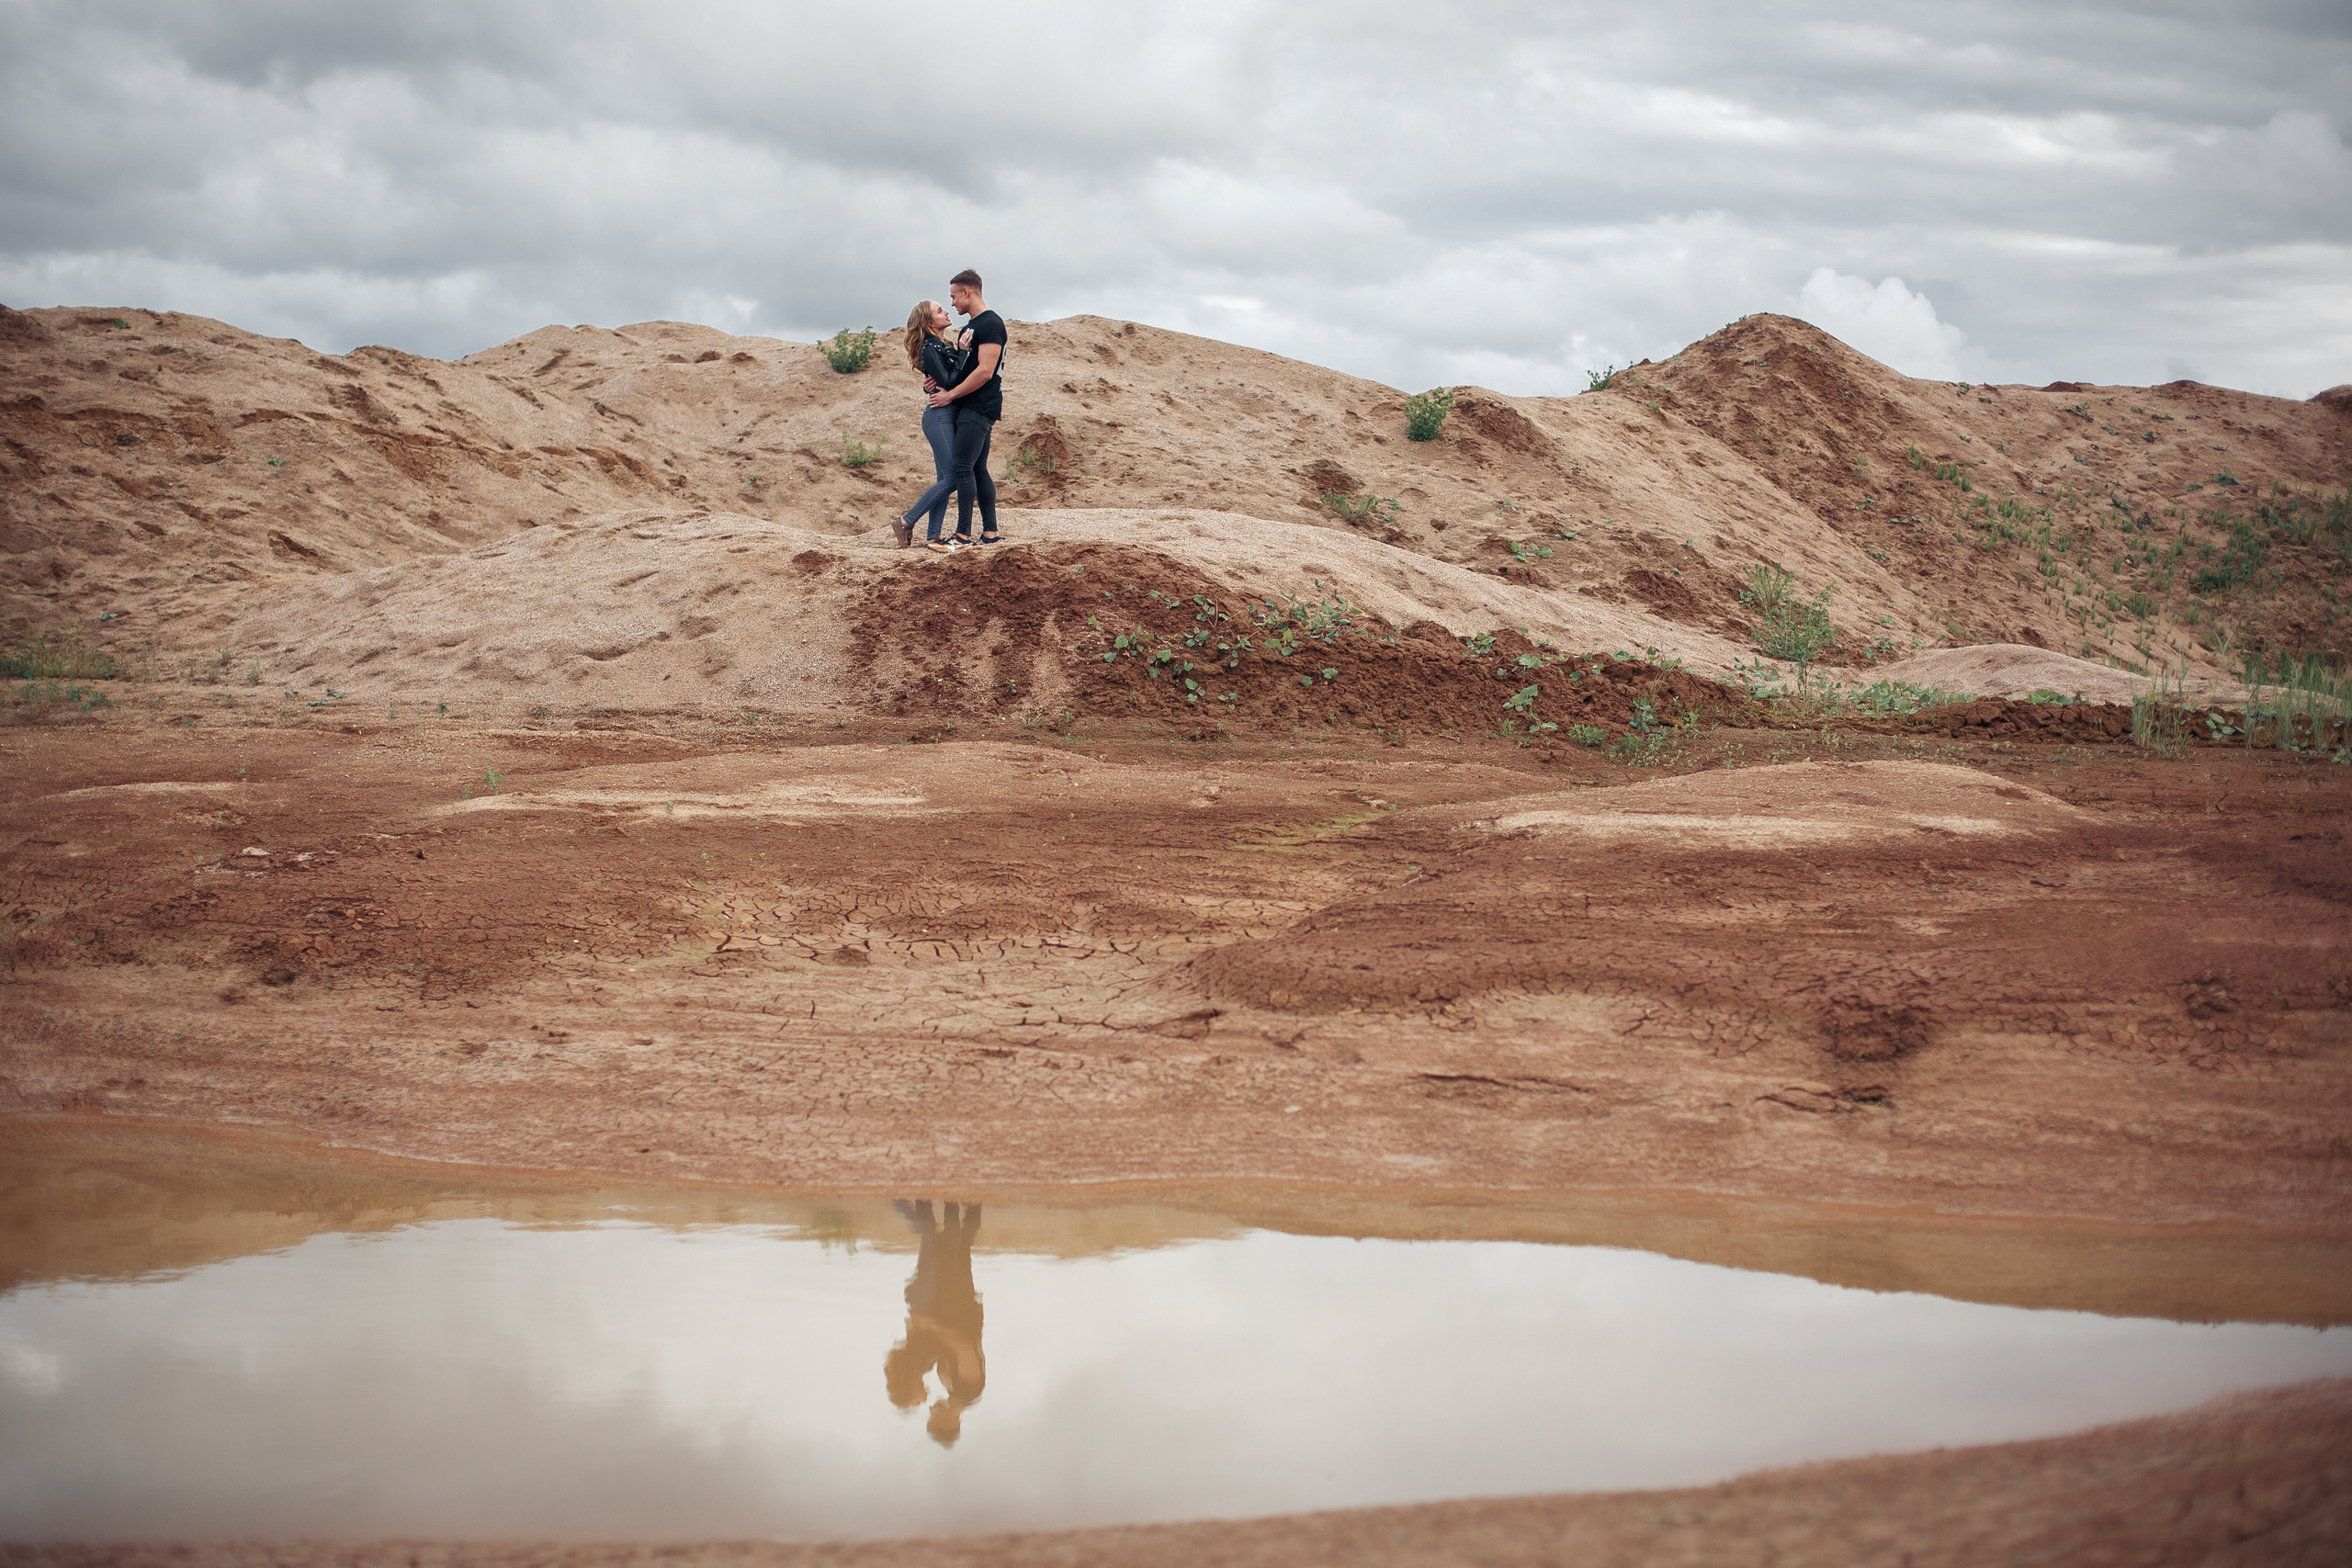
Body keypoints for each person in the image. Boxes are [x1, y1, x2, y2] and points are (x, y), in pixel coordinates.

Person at [882, 1199, 986, 1447]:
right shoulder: (969, 1390)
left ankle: (957, 1197)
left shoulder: (950, 1387)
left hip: (952, 1308)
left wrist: (928, 1326)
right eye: (934, 1418)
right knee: (957, 1248)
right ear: (948, 1422)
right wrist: (931, 1325)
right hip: (960, 1309)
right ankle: (965, 1197)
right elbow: (963, 1343)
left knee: (957, 1249)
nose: (931, 1411)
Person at [924, 269, 1006, 552]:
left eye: (954, 296)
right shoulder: (970, 327)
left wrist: (950, 396)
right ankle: (990, 533)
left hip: (979, 406)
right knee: (977, 468)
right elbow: (964, 371)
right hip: (970, 405)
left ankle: (962, 536)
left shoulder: (991, 324)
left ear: (967, 292)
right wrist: (935, 382)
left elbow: (985, 371)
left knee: (961, 467)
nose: (953, 303)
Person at [892, 300, 969, 549]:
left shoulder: (941, 345)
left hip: (945, 415)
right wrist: (964, 352)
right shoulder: (930, 347)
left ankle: (932, 536)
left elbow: (946, 378)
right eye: (939, 311)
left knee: (944, 478)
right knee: (953, 479)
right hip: (939, 416)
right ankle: (906, 521)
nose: (946, 311)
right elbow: (948, 380)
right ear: (927, 322)